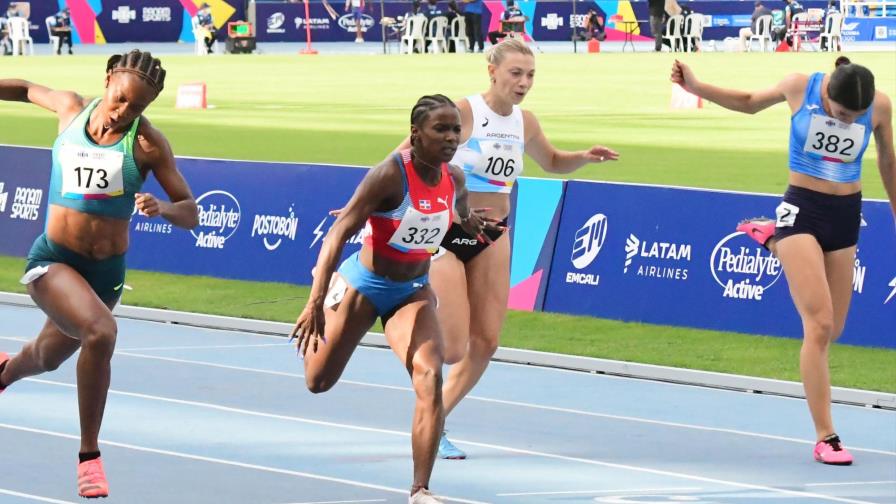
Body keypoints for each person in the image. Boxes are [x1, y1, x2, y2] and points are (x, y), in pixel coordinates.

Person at [395, 39, 618, 459]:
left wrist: (585, 157)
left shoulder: (524, 122)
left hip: (492, 233)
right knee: (454, 345)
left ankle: (434, 421)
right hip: (447, 232)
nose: (524, 82)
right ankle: (412, 355)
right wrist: (368, 202)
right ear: (492, 71)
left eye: (530, 75)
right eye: (516, 73)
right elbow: (401, 157)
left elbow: (552, 162)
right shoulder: (463, 112)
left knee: (486, 342)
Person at [671, 57, 895, 466]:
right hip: (802, 209)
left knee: (834, 329)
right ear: (828, 94)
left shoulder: (879, 106)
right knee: (819, 324)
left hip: (846, 215)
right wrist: (696, 87)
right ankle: (827, 437)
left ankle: (771, 238)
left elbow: (888, 160)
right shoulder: (799, 87)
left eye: (855, 118)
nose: (847, 122)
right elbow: (749, 101)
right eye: (841, 114)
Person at [0, 50, 199, 498]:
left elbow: (191, 212)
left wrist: (164, 207)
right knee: (101, 332)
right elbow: (26, 89)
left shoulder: (147, 144)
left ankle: (3, 374)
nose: (124, 111)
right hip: (53, 260)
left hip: (104, 275)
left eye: (137, 107)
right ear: (108, 79)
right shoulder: (70, 109)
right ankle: (89, 456)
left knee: (46, 357)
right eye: (120, 98)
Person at [292, 95, 495, 503]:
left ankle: (420, 490)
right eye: (441, 129)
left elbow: (458, 208)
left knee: (430, 375)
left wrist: (471, 221)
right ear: (415, 134)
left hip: (412, 291)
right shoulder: (389, 175)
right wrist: (315, 300)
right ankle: (331, 301)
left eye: (456, 130)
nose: (451, 137)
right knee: (318, 382)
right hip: (364, 285)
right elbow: (337, 234)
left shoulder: (454, 178)